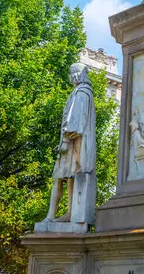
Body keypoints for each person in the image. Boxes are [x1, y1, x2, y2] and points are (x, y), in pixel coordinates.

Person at [43, 63, 96, 223]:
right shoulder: (84, 93)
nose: (68, 77)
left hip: (73, 144)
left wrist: (66, 140)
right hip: (76, 143)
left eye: (70, 73)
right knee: (69, 177)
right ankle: (69, 213)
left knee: (60, 178)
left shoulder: (81, 93)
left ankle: (52, 215)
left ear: (76, 75)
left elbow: (74, 121)